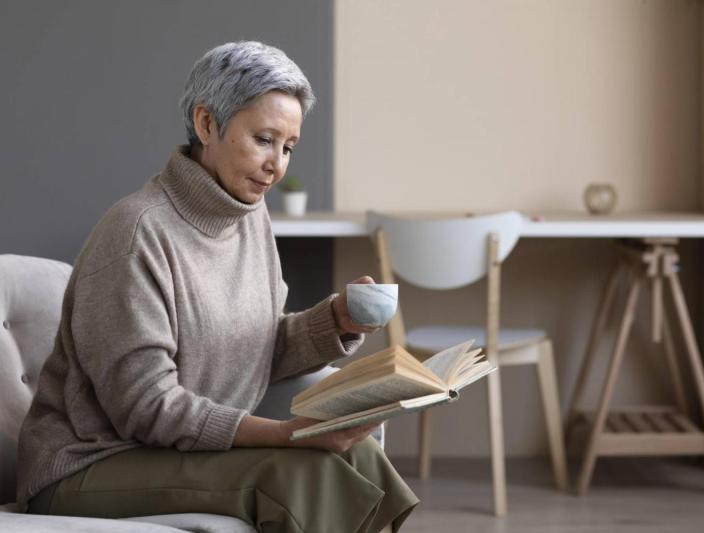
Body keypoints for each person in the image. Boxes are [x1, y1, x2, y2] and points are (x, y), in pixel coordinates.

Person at [17, 41, 418, 533]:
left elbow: (254, 350)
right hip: (93, 464)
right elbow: (146, 408)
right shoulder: (137, 232)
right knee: (291, 473)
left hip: (171, 452)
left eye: (288, 147)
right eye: (264, 139)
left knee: (362, 459)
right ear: (207, 125)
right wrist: (286, 435)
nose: (278, 164)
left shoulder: (250, 219)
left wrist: (335, 320)